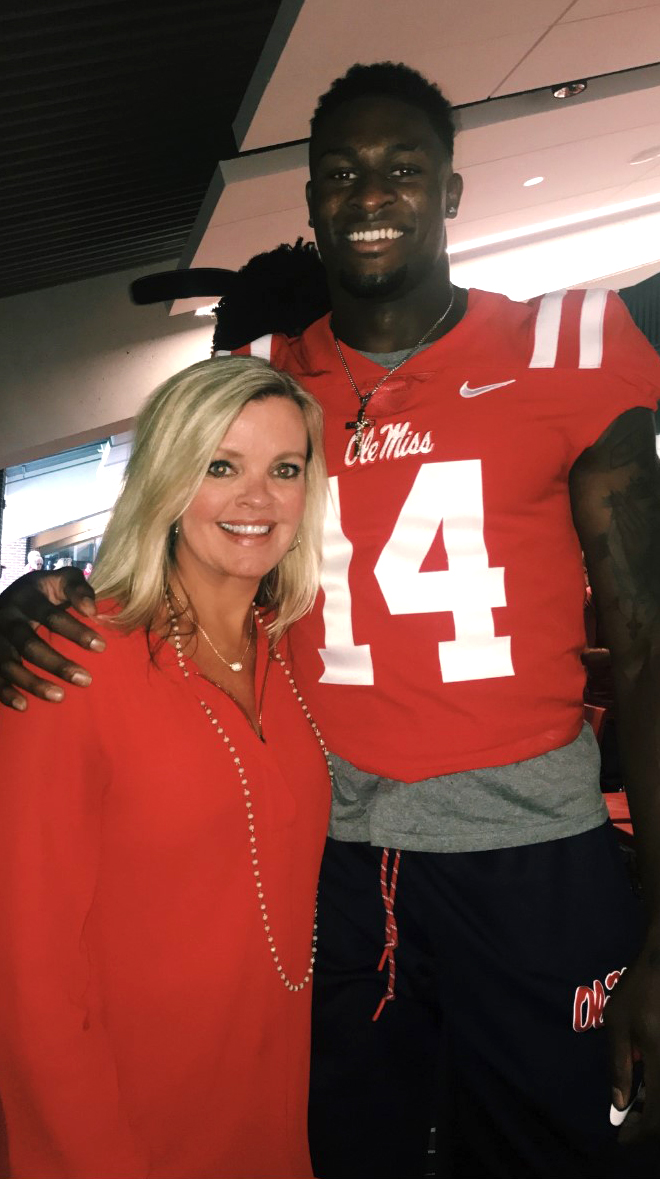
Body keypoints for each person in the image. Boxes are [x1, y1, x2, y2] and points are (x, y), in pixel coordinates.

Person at [2, 60, 660, 1179]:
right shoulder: (268, 386)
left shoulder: (568, 347)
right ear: (308, 194)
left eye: (404, 168)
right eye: (341, 172)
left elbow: (643, 647)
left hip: (532, 854)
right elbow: (167, 542)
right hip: (338, 863)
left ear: (450, 190)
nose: (371, 195)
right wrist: (29, 600)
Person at [0, 356, 331, 1179]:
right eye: (221, 466)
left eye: (284, 469)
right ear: (167, 482)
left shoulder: (292, 653)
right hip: (125, 1130)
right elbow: (27, 980)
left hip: (272, 1114)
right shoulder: (71, 662)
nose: (258, 499)